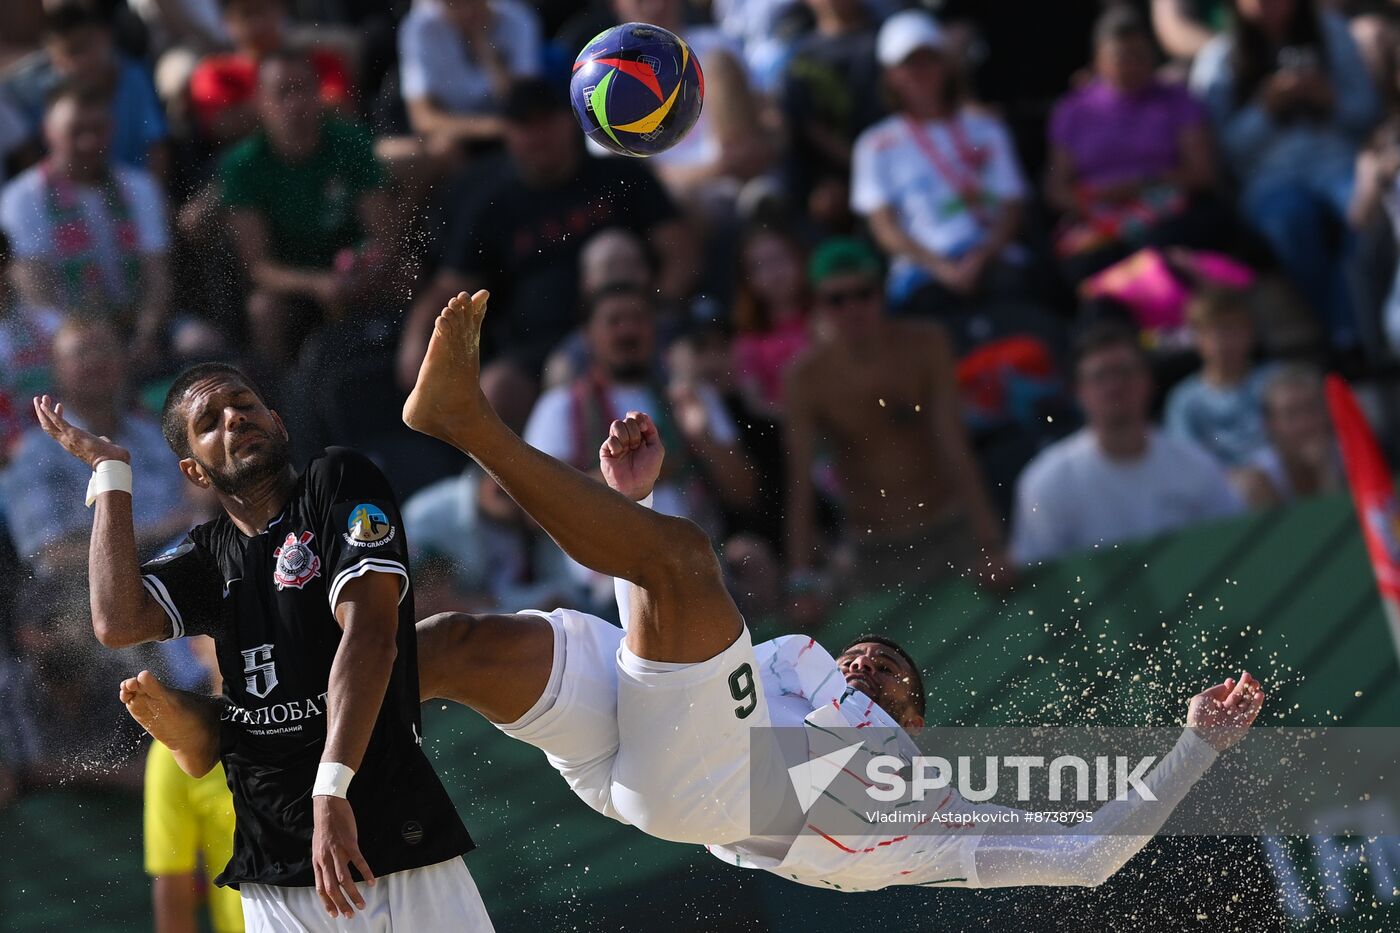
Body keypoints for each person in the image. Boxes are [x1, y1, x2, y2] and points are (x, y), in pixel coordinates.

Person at [121, 288, 1266, 896]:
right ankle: (241, 746)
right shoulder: (786, 673)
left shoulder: (937, 811)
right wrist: (630, 504)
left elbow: (1089, 855)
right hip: (657, 763)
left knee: (680, 562)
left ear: (913, 722)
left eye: (893, 674)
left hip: (717, 801)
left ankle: (467, 426)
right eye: (869, 654)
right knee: (458, 643)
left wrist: (1195, 749)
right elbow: (661, 674)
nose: (870, 662)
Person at [30, 360, 491, 928]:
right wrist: (109, 474)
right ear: (195, 473)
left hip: (395, 843)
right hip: (273, 878)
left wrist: (331, 789)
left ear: (278, 422)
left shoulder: (337, 481)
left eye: (244, 404)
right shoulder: (208, 554)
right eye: (210, 420)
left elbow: (371, 635)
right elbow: (117, 622)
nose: (234, 417)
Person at [397, 78, 695, 430]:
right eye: (524, 125)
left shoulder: (620, 175)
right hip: (537, 348)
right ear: (507, 133)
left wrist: (659, 308)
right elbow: (451, 287)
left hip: (631, 328)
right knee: (496, 390)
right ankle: (501, 484)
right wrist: (417, 347)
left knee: (614, 256)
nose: (538, 135)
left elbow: (681, 253)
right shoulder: (492, 205)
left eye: (547, 121)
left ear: (570, 121)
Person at [783, 238, 1010, 601]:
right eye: (837, 300)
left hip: (949, 527)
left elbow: (954, 445)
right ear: (819, 305)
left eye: (863, 294)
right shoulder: (807, 380)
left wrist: (989, 543)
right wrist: (800, 578)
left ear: (882, 293)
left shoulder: (925, 346)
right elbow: (801, 481)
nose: (853, 308)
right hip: (874, 547)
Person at [523, 282, 756, 602]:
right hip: (609, 588)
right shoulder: (560, 407)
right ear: (588, 335)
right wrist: (636, 474)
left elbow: (744, 493)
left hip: (704, 574)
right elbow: (535, 510)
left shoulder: (691, 395)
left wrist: (702, 438)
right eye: (614, 321)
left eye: (638, 319)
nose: (628, 330)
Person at [1189, 0, 1380, 346]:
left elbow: (1367, 112)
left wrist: (1329, 99)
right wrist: (1265, 109)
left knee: (1367, 213)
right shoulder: (1218, 58)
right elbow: (1219, 150)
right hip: (1268, 178)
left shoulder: (1332, 35)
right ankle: (1348, 332)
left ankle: (1350, 332)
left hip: (1336, 163)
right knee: (1292, 224)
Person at [851, 9, 1038, 314]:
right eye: (909, 63)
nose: (921, 71)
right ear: (890, 74)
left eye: (929, 59)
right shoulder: (874, 145)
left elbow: (1012, 207)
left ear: (946, 65)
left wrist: (980, 259)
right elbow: (884, 227)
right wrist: (940, 268)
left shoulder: (987, 129)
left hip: (996, 263)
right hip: (921, 275)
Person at [1011, 322, 1244, 566]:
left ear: (1147, 382)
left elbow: (1231, 552)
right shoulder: (1046, 481)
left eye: (1124, 371)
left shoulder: (1196, 466)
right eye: (1100, 376)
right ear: (1079, 392)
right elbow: (1039, 577)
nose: (1114, 386)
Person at [218, 50, 394, 369]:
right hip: (293, 285)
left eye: (302, 89)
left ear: (318, 94)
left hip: (356, 272)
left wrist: (366, 264)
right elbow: (257, 265)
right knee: (263, 310)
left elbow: (382, 235)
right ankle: (275, 401)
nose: (295, 103)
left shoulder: (351, 141)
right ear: (260, 102)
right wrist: (317, 284)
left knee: (410, 278)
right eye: (282, 92)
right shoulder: (241, 165)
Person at [2, 317, 192, 578]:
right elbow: (50, 557)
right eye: (81, 353)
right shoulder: (33, 454)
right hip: (84, 589)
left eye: (104, 349)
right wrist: (158, 534)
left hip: (179, 568)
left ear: (123, 360)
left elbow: (195, 511)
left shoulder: (150, 433)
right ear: (56, 369)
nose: (94, 360)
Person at [1046, 6, 1220, 282]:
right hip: (1100, 220)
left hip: (1168, 212)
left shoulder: (1177, 99)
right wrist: (1096, 201)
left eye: (1140, 55)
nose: (1132, 65)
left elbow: (1203, 173)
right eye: (1122, 57)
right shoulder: (1073, 111)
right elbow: (1056, 188)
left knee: (1157, 248)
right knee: (1084, 260)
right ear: (1098, 60)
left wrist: (1143, 184)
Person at [0, 82, 171, 361]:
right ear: (48, 132)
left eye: (98, 130)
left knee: (199, 342)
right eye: (75, 131)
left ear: (112, 129)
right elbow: (35, 291)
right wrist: (89, 341)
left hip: (138, 330)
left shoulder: (140, 187)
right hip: (64, 338)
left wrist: (146, 334)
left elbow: (157, 276)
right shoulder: (20, 199)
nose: (88, 142)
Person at [145, 636, 244, 933]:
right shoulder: (171, 748)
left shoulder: (312, 721)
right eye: (220, 625)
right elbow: (174, 888)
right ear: (193, 646)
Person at [2, 1, 169, 173]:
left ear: (106, 37)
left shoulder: (133, 77)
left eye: (83, 47)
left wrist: (151, 196)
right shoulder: (36, 96)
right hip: (71, 197)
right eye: (68, 53)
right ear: (55, 60)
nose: (79, 63)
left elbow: (155, 148)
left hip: (134, 193)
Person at [778, 0, 882, 230]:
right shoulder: (799, 56)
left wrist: (864, 169)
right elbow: (804, 125)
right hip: (824, 175)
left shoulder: (887, 41)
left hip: (887, 161)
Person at [189, 0, 354, 146]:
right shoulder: (213, 73)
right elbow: (221, 126)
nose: (257, 23)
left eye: (262, 9)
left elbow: (340, 107)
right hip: (249, 173)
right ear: (226, 21)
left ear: (281, 9)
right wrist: (294, 104)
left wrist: (258, 112)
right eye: (246, 14)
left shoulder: (320, 60)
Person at [398, 0, 542, 151]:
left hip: (515, 139)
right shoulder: (419, 28)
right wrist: (489, 128)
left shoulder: (518, 18)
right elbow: (423, 118)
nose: (467, 11)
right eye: (453, 3)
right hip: (459, 143)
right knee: (441, 148)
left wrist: (486, 51)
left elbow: (523, 107)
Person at [1164, 288, 1272, 470]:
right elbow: (1186, 461)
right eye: (1213, 333)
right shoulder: (1184, 400)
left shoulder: (1274, 381)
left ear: (1250, 333)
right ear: (1196, 339)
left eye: (1232, 331)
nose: (1223, 342)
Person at [1235, 363, 1341, 508]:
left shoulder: (1350, 458)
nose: (1305, 424)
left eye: (1311, 409)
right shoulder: (1259, 478)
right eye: (1291, 415)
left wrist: (1325, 470)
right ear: (1270, 424)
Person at [730, 225, 810, 413]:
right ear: (747, 280)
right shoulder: (747, 343)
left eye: (779, 259)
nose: (774, 272)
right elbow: (756, 405)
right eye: (759, 266)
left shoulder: (830, 315)